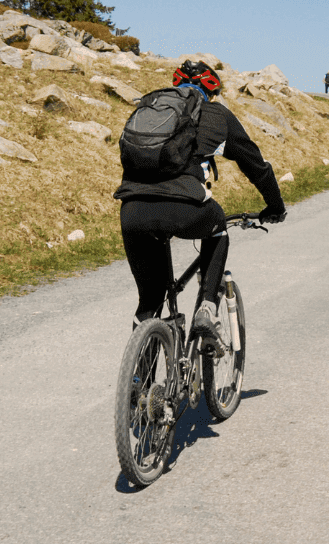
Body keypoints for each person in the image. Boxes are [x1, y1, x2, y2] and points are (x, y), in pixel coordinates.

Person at [117, 60, 288, 342]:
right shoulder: (216, 114)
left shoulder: (149, 111)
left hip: (133, 210)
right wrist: (275, 206)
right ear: (210, 90)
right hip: (185, 208)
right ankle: (207, 308)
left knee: (149, 302)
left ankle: (136, 382)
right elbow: (255, 165)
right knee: (218, 228)